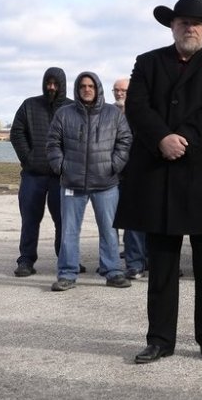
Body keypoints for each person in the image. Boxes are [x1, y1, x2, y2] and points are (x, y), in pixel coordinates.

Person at [116, 0, 202, 363]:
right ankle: (159, 339)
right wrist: (161, 139)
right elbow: (137, 108)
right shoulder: (148, 62)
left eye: (197, 22)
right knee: (162, 266)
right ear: (172, 26)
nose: (190, 27)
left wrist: (182, 139)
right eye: (183, 22)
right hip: (159, 174)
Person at [46, 72, 133, 291]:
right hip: (71, 183)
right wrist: (61, 167)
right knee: (69, 231)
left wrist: (113, 166)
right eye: (83, 86)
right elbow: (53, 143)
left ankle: (112, 271)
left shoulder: (113, 114)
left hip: (106, 183)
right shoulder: (64, 114)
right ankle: (67, 274)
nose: (87, 89)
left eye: (91, 86)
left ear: (98, 89)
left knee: (108, 230)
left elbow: (125, 141)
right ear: (77, 88)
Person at [9, 68, 72, 277]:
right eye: (48, 82)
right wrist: (29, 158)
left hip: (61, 177)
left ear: (62, 84)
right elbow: (16, 132)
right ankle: (26, 260)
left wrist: (68, 163)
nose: (51, 87)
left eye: (55, 83)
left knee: (63, 219)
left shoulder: (72, 107)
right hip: (32, 175)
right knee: (29, 218)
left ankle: (65, 260)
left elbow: (80, 138)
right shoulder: (29, 105)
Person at [113, 77, 148, 280]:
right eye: (116, 90)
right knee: (129, 222)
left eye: (123, 90)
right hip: (117, 174)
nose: (119, 93)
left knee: (147, 220)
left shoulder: (141, 112)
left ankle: (148, 260)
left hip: (142, 172)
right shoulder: (108, 113)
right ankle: (134, 263)